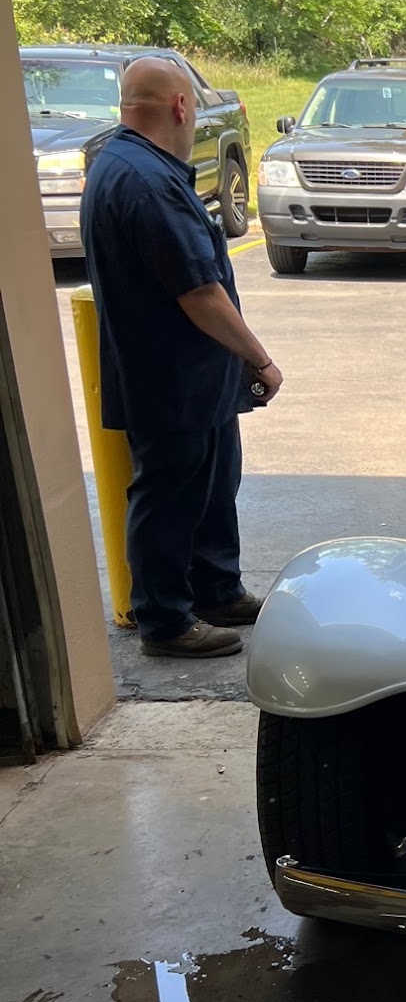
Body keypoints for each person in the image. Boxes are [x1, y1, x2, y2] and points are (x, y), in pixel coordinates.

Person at [81, 57, 283, 658]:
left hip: (194, 376)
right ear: (180, 107)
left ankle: (216, 590)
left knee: (212, 483)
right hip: (169, 378)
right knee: (170, 494)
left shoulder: (127, 165)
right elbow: (198, 293)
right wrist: (259, 358)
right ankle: (165, 620)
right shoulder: (145, 182)